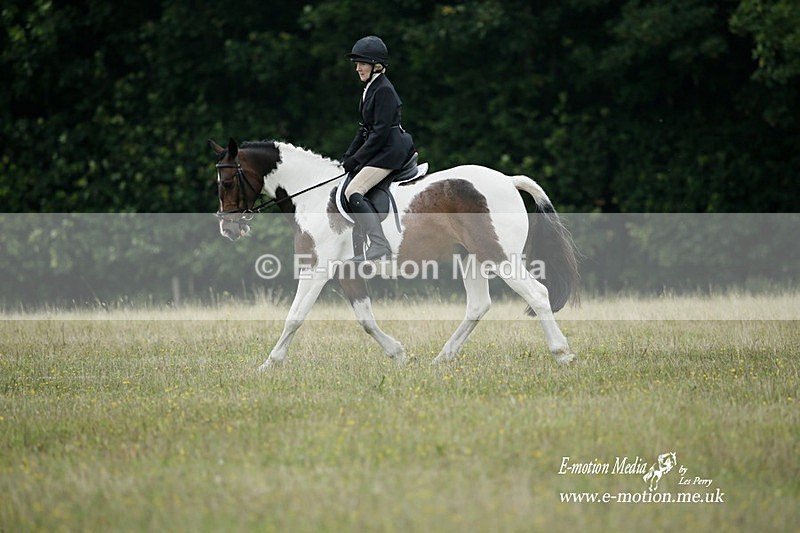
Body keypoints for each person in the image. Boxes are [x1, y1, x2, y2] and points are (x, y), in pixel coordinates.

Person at [341, 35, 415, 261]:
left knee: (353, 191)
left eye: (362, 63)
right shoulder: (370, 88)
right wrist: (348, 156)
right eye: (357, 64)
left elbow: (380, 133)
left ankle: (378, 244)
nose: (358, 68)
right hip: (382, 148)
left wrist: (358, 158)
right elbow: (364, 129)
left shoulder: (384, 90)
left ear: (377, 65)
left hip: (390, 151)